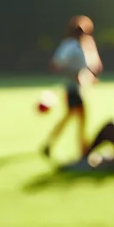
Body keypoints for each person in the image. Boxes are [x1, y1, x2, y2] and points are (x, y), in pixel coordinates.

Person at [42, 15, 102, 161]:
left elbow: (85, 67)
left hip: (79, 88)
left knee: (73, 118)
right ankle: (82, 150)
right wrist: (71, 73)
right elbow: (55, 65)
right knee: (79, 118)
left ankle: (52, 144)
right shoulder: (69, 46)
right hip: (72, 89)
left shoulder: (83, 46)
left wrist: (88, 76)